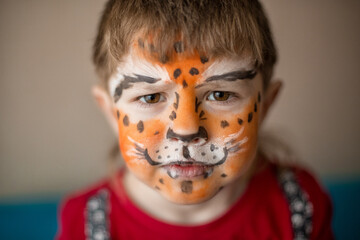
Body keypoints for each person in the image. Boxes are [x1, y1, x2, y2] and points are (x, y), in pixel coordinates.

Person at [57, 0, 333, 239]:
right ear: (110, 111)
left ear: (266, 105)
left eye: (221, 94)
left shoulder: (300, 206)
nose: (185, 129)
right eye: (151, 97)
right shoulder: (83, 226)